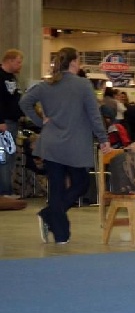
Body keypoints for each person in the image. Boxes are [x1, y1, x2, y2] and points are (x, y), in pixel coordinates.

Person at [19, 47, 112, 244]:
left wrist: (39, 120)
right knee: (81, 184)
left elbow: (24, 102)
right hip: (75, 145)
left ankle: (60, 234)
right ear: (74, 62)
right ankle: (49, 215)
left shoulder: (45, 85)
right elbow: (94, 115)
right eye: (79, 60)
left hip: (51, 144)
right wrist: (103, 139)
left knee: (57, 188)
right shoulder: (83, 85)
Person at [0, 49, 23, 199]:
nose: (20, 65)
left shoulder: (13, 78)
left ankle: (6, 190)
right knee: (5, 156)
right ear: (9, 60)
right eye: (18, 62)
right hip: (4, 122)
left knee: (10, 155)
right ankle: (4, 191)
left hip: (13, 121)